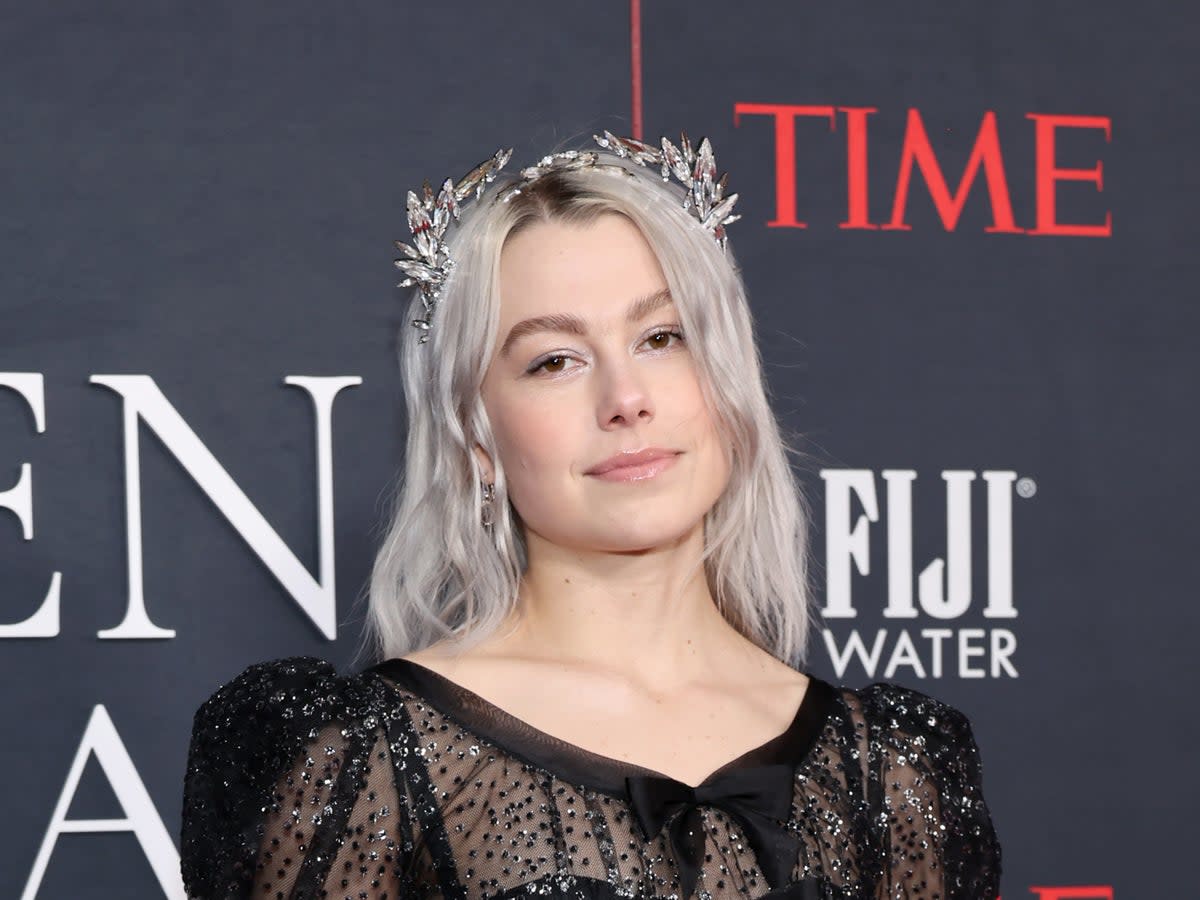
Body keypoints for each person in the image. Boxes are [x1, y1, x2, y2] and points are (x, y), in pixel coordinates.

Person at [179, 133, 1002, 900]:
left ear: (729, 379)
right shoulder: (366, 763)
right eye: (555, 360)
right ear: (475, 436)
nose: (626, 400)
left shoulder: (891, 769)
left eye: (662, 337)